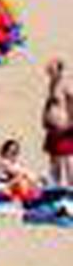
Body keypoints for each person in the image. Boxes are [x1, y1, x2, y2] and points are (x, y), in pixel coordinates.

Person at [44, 59, 72, 189]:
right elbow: (50, 105)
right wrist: (44, 119)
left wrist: (70, 122)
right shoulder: (52, 85)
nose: (49, 71)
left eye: (52, 69)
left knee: (67, 159)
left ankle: (70, 186)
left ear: (59, 71)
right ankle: (56, 187)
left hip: (64, 129)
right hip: (53, 130)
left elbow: (71, 103)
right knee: (54, 159)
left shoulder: (65, 85)